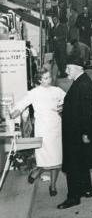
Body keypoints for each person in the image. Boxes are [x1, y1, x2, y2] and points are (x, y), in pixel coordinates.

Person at [57, 55, 92, 209]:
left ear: (78, 69)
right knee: (82, 160)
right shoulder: (82, 81)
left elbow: (87, 112)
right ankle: (86, 189)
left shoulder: (82, 85)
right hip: (78, 130)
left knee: (73, 164)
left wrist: (85, 133)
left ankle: (73, 197)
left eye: (68, 68)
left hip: (76, 131)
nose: (65, 71)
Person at [10, 66, 65, 197]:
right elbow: (21, 104)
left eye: (50, 77)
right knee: (43, 156)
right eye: (45, 78)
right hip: (42, 129)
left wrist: (62, 107)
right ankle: (37, 171)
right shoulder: (34, 93)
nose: (49, 80)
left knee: (56, 158)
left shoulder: (57, 90)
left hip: (55, 127)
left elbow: (67, 100)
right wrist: (14, 113)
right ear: (39, 80)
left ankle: (52, 185)